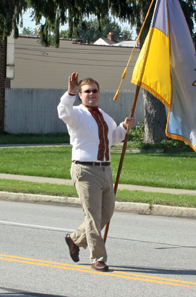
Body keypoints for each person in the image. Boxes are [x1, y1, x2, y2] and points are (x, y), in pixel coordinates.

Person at [58, 72, 135, 271]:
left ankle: (75, 239)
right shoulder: (76, 114)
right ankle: (98, 258)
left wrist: (125, 126)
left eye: (94, 90)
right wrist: (70, 93)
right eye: (86, 91)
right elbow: (63, 112)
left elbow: (115, 137)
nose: (91, 94)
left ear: (99, 93)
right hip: (85, 170)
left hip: (105, 169)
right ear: (81, 95)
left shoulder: (105, 117)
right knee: (93, 216)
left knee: (106, 213)